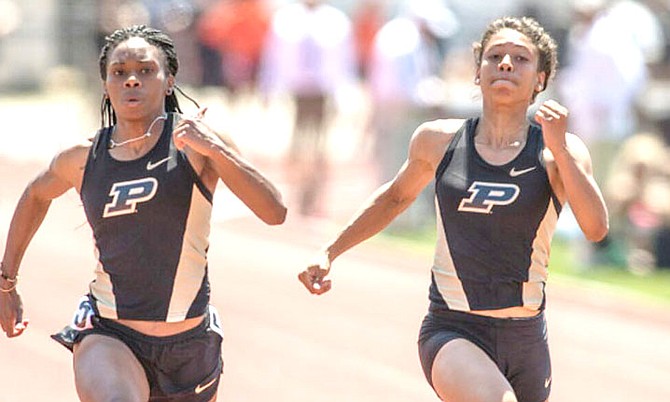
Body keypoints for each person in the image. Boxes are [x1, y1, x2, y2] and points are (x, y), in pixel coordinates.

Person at [298, 16, 608, 402]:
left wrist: (560, 149)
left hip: (527, 337)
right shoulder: (438, 141)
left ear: (541, 80)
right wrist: (330, 251)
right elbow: (394, 197)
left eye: (521, 58)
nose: (506, 64)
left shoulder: (557, 152)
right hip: (453, 329)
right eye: (495, 56)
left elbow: (595, 229)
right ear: (478, 73)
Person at [0, 25, 286, 401]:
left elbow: (274, 211)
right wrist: (6, 282)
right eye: (119, 73)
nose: (132, 80)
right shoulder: (82, 158)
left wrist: (217, 149)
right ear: (105, 85)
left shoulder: (197, 146)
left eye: (146, 70)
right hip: (110, 334)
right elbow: (36, 195)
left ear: (169, 82)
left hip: (190, 346)